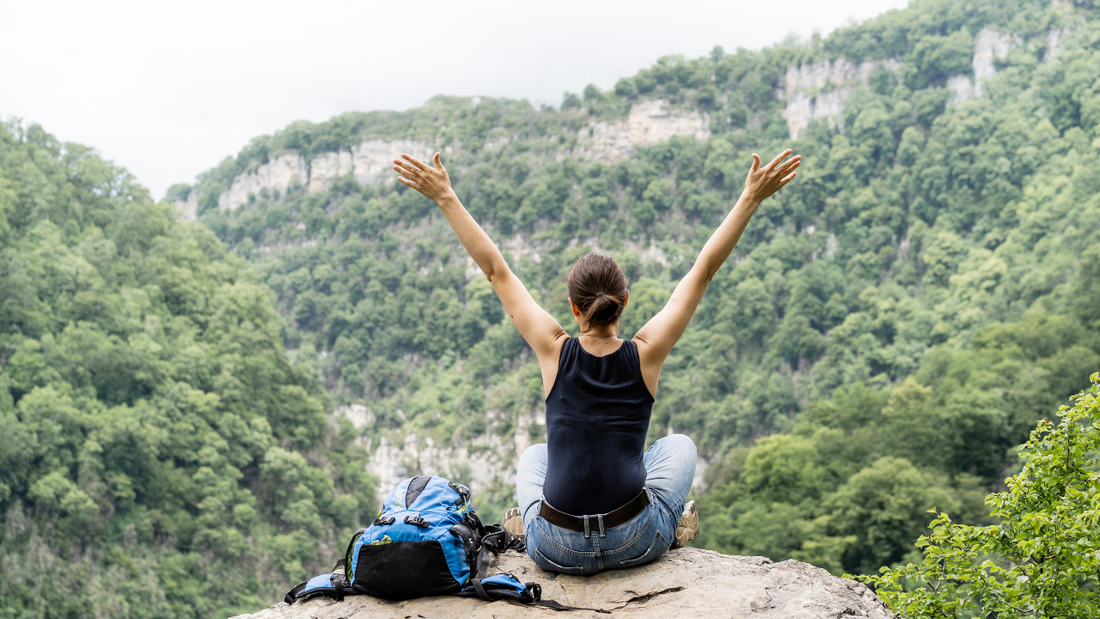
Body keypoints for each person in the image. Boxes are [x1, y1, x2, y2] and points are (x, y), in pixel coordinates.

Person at [393, 148, 800, 575]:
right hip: (636, 541)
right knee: (678, 446)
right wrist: (750, 197)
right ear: (625, 302)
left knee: (535, 455)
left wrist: (446, 197)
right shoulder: (646, 352)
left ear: (573, 308)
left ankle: (527, 526)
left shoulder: (553, 348)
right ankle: (669, 525)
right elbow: (702, 271)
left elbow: (496, 270)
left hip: (555, 548)